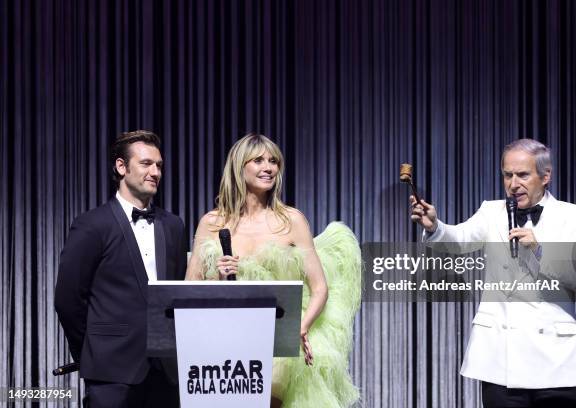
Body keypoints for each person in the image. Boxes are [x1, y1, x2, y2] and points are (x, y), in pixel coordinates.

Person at [410, 139, 576, 407]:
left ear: (545, 176)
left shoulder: (573, 216)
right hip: (502, 362)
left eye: (522, 175)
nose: (513, 184)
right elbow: (460, 240)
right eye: (508, 175)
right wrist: (436, 226)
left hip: (556, 362)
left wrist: (540, 250)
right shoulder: (491, 211)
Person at [186, 133, 361, 407]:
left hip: (278, 336)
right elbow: (190, 288)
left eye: (273, 161)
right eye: (258, 160)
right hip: (225, 335)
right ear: (239, 166)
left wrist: (300, 329)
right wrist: (218, 276)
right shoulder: (211, 222)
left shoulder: (291, 220)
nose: (268, 167)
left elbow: (320, 288)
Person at [55, 130, 187, 408]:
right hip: (110, 371)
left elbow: (177, 296)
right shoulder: (92, 224)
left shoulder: (174, 226)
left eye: (159, 165)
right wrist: (92, 352)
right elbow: (68, 300)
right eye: (146, 163)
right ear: (121, 166)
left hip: (165, 372)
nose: (155, 172)